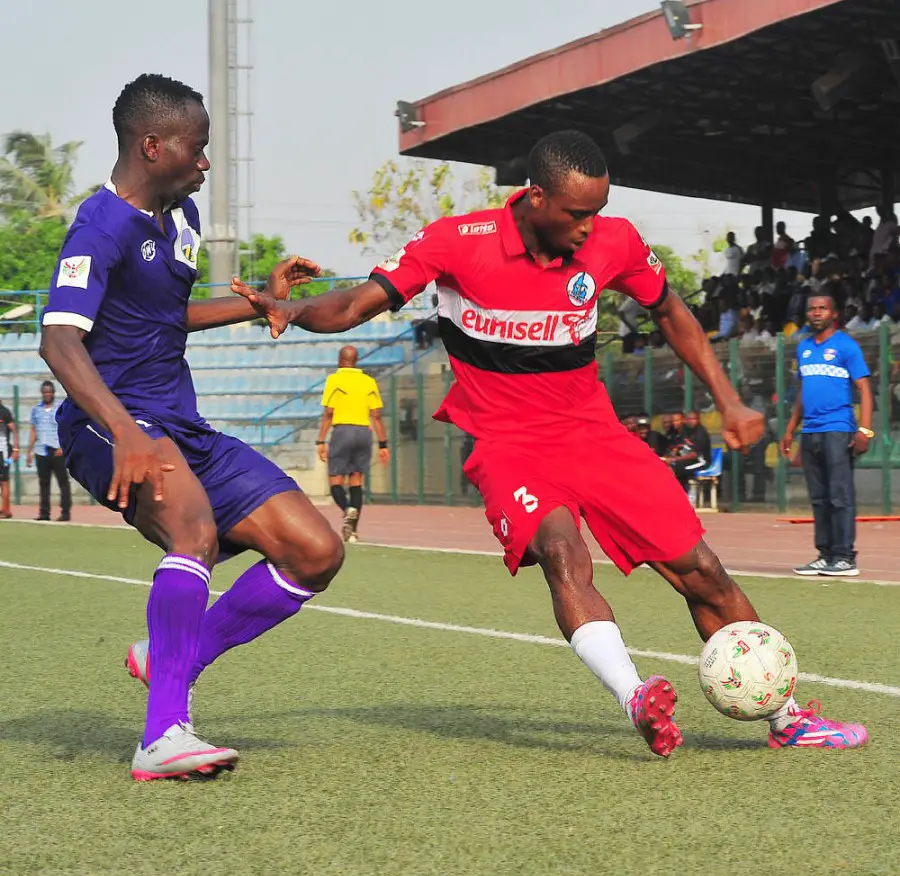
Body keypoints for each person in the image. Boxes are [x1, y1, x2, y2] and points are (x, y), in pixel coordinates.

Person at [234, 129, 866, 754]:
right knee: (564, 554)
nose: (590, 227)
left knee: (701, 570)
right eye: (577, 213)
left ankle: (788, 719)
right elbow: (357, 304)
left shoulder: (614, 242)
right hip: (507, 445)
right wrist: (295, 311)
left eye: (598, 211)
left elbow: (670, 310)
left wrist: (727, 399)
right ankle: (636, 697)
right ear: (536, 197)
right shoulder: (457, 241)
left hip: (595, 436)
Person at [39, 74, 344, 781]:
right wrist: (126, 431)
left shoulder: (182, 219)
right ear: (153, 146)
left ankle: (170, 655)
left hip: (178, 422)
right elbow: (59, 339)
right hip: (108, 422)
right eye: (196, 147)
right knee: (193, 531)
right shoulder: (100, 226)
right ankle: (163, 736)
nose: (205, 162)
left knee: (316, 550)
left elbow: (162, 317)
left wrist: (258, 302)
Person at [781, 294, 873, 577]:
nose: (817, 312)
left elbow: (864, 389)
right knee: (819, 498)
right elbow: (803, 391)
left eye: (822, 308)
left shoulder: (847, 346)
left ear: (834, 314)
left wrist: (864, 429)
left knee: (839, 495)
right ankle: (825, 555)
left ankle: (845, 557)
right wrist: (790, 429)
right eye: (812, 309)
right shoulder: (804, 347)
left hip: (838, 429)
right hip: (810, 431)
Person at [316, 344, 390, 542]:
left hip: (343, 431)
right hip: (364, 433)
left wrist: (320, 440)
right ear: (356, 361)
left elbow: (329, 413)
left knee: (335, 481)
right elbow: (376, 416)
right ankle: (353, 533)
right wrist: (383, 444)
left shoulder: (334, 380)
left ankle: (347, 508)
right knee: (356, 480)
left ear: (340, 360)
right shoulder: (368, 381)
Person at [26, 381, 71, 521]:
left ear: (53, 393)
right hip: (41, 451)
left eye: (49, 392)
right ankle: (44, 513)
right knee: (44, 483)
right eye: (45, 392)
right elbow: (34, 430)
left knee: (63, 482)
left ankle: (65, 513)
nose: (47, 394)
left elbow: (66, 428)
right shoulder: (36, 410)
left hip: (56, 450)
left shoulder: (60, 408)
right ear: (42, 393)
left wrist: (63, 447)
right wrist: (29, 451)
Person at [0, 396, 19, 518]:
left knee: (4, 481)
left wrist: (16, 449)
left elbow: (14, 431)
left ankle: (6, 510)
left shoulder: (4, 412)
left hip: (3, 452)